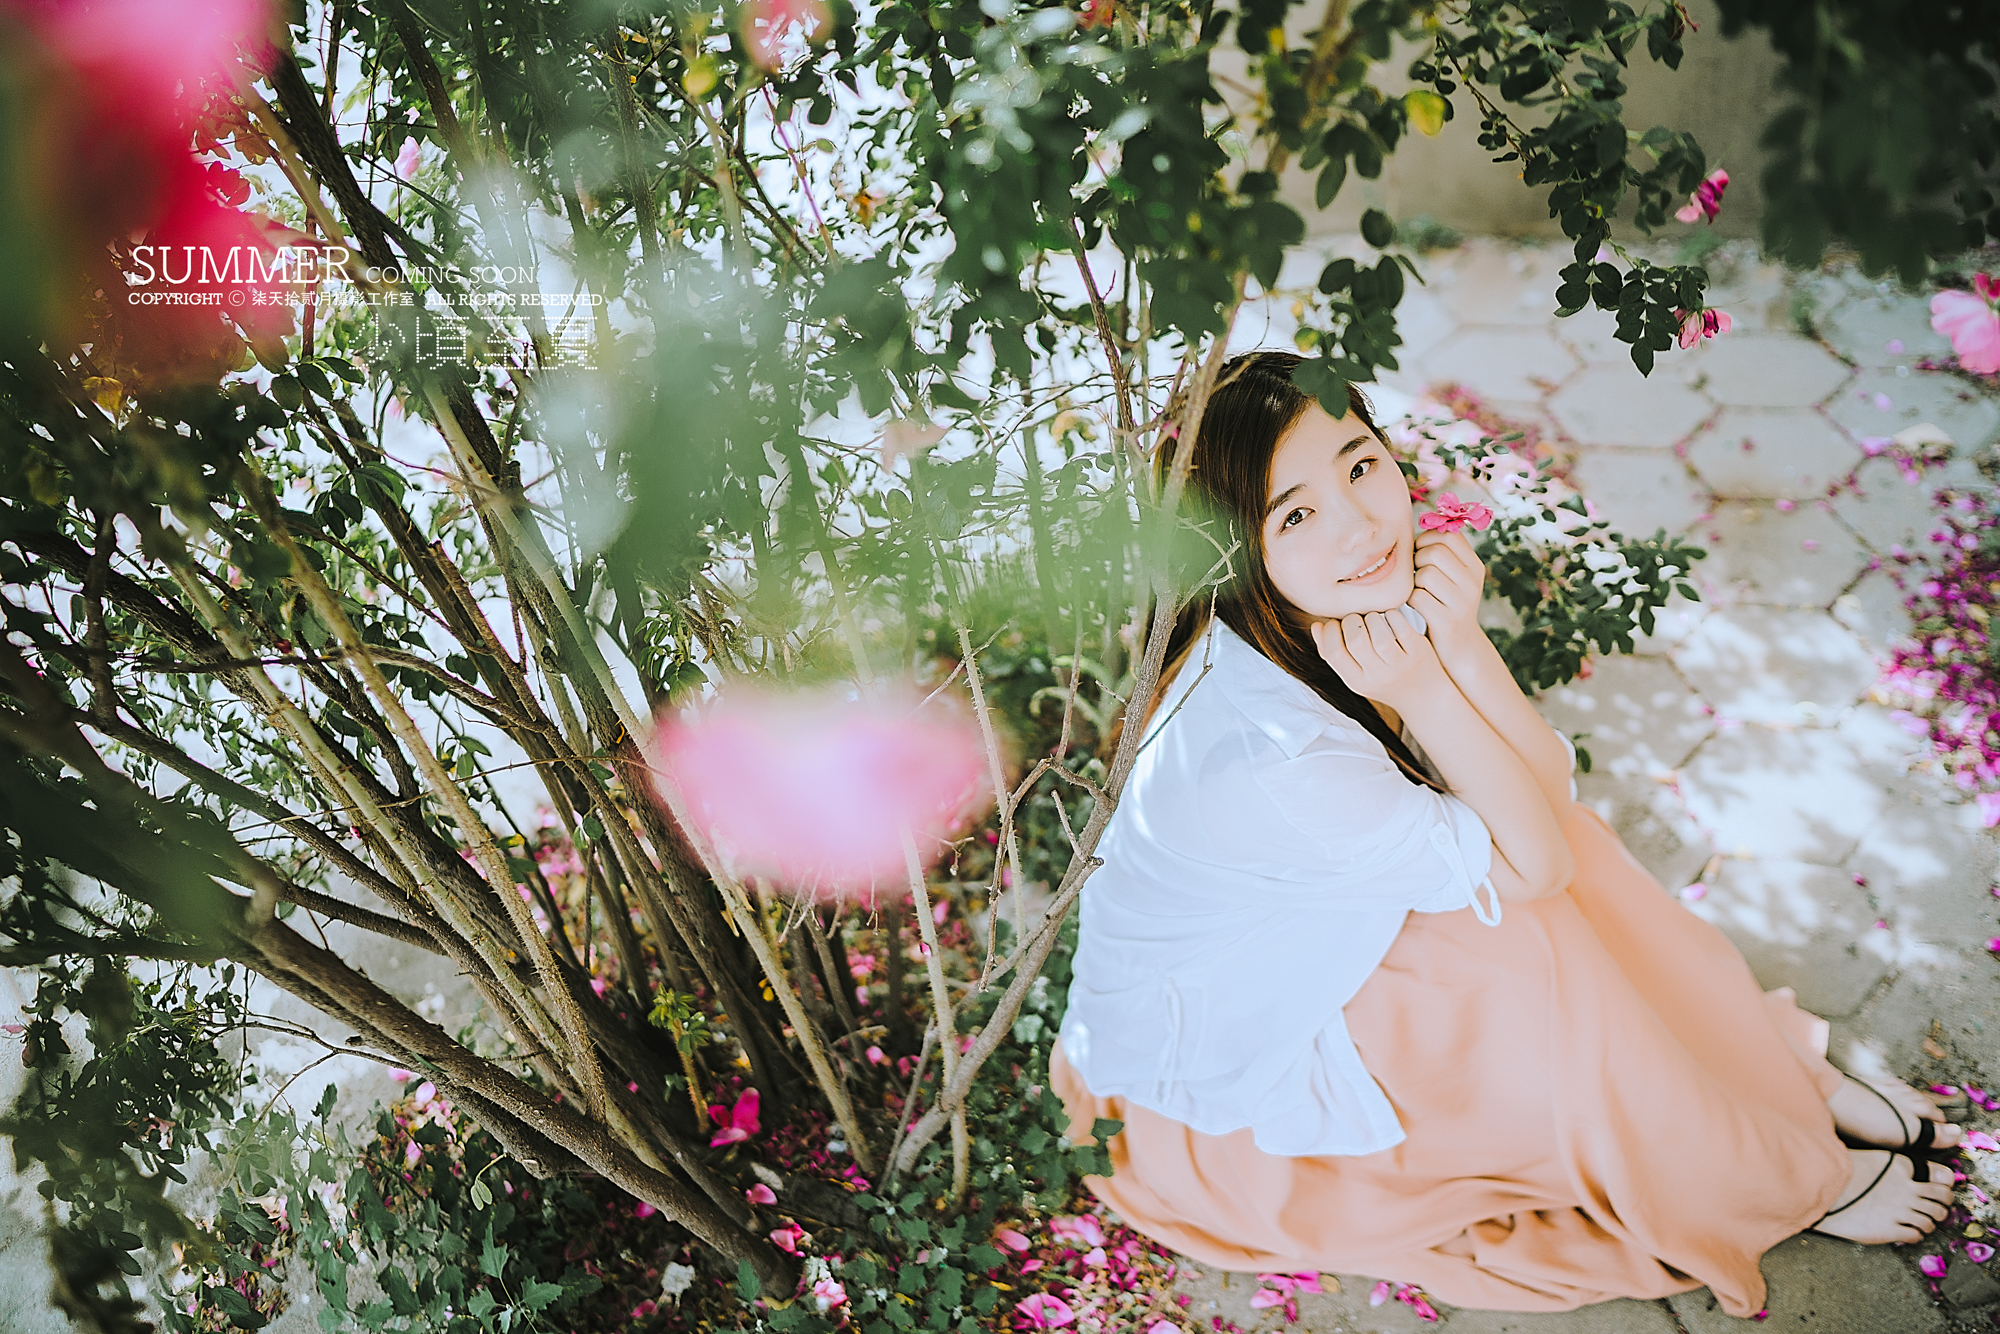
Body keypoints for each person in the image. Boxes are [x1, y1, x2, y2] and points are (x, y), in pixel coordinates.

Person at [1049, 350, 1957, 1318]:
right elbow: (1535, 863)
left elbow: (1549, 800)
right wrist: (1426, 684)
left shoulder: (1308, 614)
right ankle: (1761, 1167)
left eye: (1360, 466)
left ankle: (1766, 1079)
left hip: (1299, 949)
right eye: (1295, 516)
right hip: (1224, 1069)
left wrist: (1461, 642)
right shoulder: (1276, 750)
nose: (1360, 525)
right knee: (1533, 931)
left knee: (1560, 862)